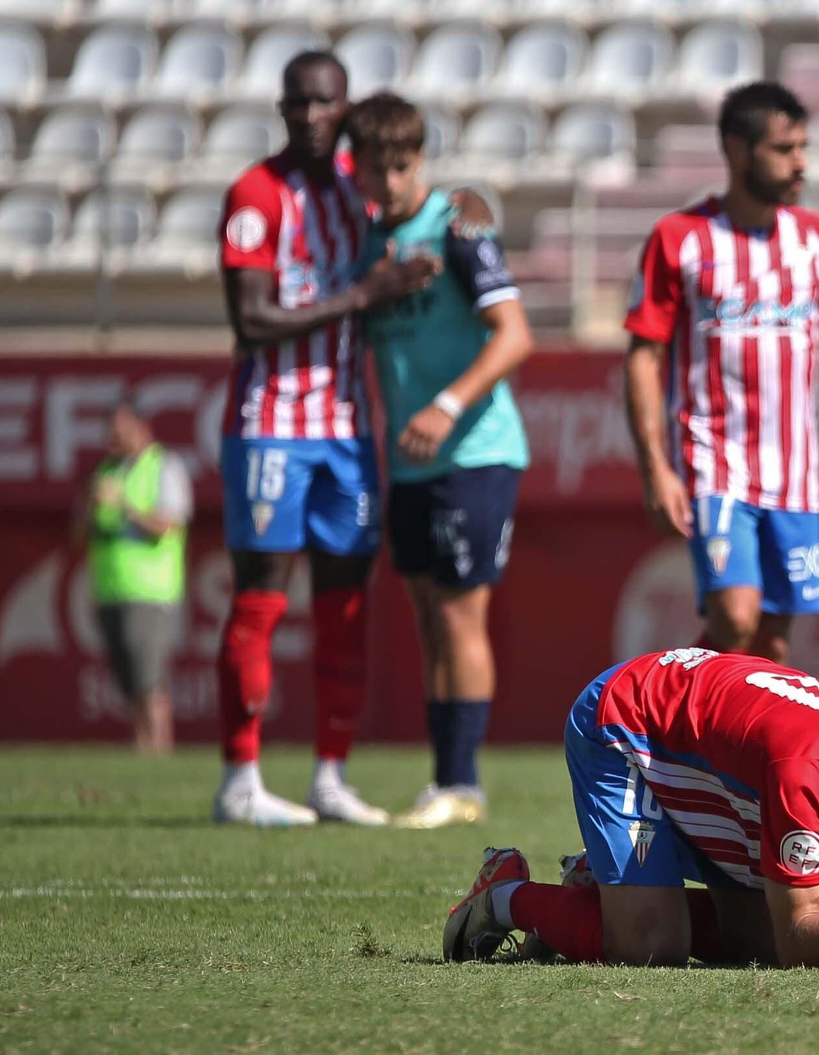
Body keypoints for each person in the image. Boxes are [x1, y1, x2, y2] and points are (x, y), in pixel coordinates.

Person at [213, 52, 494, 827]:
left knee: (344, 607)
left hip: (345, 429)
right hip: (270, 423)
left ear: (342, 111)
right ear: (280, 107)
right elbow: (252, 319)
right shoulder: (255, 194)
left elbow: (433, 204)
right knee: (262, 598)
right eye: (296, 102)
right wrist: (365, 293)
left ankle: (328, 774)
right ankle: (240, 777)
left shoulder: (358, 193)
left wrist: (471, 201)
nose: (309, 115)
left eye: (323, 103)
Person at [443, 648, 819, 968]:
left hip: (734, 756)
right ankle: (501, 898)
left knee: (756, 946)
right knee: (648, 948)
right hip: (631, 723)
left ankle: (596, 892)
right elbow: (802, 943)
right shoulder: (810, 778)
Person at [623, 81, 819, 665]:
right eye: (784, 149)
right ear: (738, 151)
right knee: (736, 616)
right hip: (714, 461)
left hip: (794, 473)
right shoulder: (680, 239)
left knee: (770, 644)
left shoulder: (812, 238)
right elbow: (642, 357)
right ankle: (653, 718)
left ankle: (717, 751)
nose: (801, 163)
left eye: (803, 146)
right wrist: (655, 468)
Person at [346, 92, 534, 830]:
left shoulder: (458, 227)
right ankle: (444, 780)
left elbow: (514, 335)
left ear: (420, 160)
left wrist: (446, 405)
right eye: (376, 168)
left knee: (460, 615)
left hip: (474, 450)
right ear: (355, 169)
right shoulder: (364, 245)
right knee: (429, 618)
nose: (390, 181)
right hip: (413, 461)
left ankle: (465, 784)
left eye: (403, 165)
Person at [75, 401, 192, 755]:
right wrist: (90, 507)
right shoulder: (106, 470)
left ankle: (159, 748)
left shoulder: (164, 466)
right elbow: (79, 534)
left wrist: (123, 503)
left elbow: (167, 524)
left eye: (120, 428)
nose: (113, 436)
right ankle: (142, 744)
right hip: (109, 588)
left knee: (149, 677)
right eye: (110, 428)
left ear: (143, 427)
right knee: (126, 679)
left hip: (150, 590)